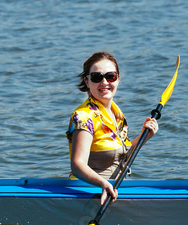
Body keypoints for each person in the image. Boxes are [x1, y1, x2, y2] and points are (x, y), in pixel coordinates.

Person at [67, 52, 159, 204]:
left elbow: (121, 156)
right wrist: (103, 184)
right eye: (97, 77)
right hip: (91, 193)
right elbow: (77, 165)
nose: (104, 82)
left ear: (118, 79)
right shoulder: (84, 117)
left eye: (110, 76)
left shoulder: (116, 114)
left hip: (114, 190)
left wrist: (144, 136)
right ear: (87, 81)